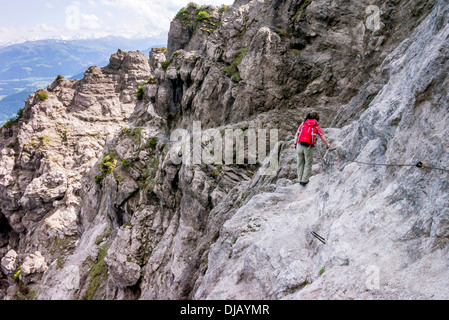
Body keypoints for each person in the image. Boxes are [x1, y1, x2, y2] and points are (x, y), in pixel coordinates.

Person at [294, 112, 331, 186]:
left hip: (299, 145)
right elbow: (321, 136)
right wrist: (327, 144)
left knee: (300, 163)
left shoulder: (303, 123)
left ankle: (300, 179)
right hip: (308, 147)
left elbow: (297, 133)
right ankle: (304, 180)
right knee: (308, 163)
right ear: (317, 118)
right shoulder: (316, 126)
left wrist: (295, 143)